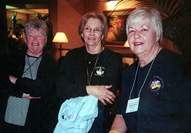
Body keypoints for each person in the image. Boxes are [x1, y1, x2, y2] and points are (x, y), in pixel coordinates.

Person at [110, 7, 191, 133]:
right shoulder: (128, 73)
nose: (136, 35)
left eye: (144, 29)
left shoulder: (179, 67)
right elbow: (121, 115)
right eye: (131, 31)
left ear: (157, 34)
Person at [56, 12, 122, 133]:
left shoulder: (113, 59)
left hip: (98, 121)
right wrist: (92, 90)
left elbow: (108, 96)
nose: (91, 33)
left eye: (96, 30)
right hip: (71, 120)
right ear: (82, 33)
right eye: (87, 29)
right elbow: (61, 89)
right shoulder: (71, 56)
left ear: (102, 35)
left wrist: (76, 90)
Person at [0, 19, 57, 133]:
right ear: (25, 38)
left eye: (40, 35)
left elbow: (43, 89)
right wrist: (22, 93)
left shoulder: (51, 63)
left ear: (45, 39)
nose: (35, 39)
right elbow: (2, 85)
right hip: (11, 119)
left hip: (38, 120)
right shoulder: (11, 58)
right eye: (31, 35)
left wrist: (15, 81)